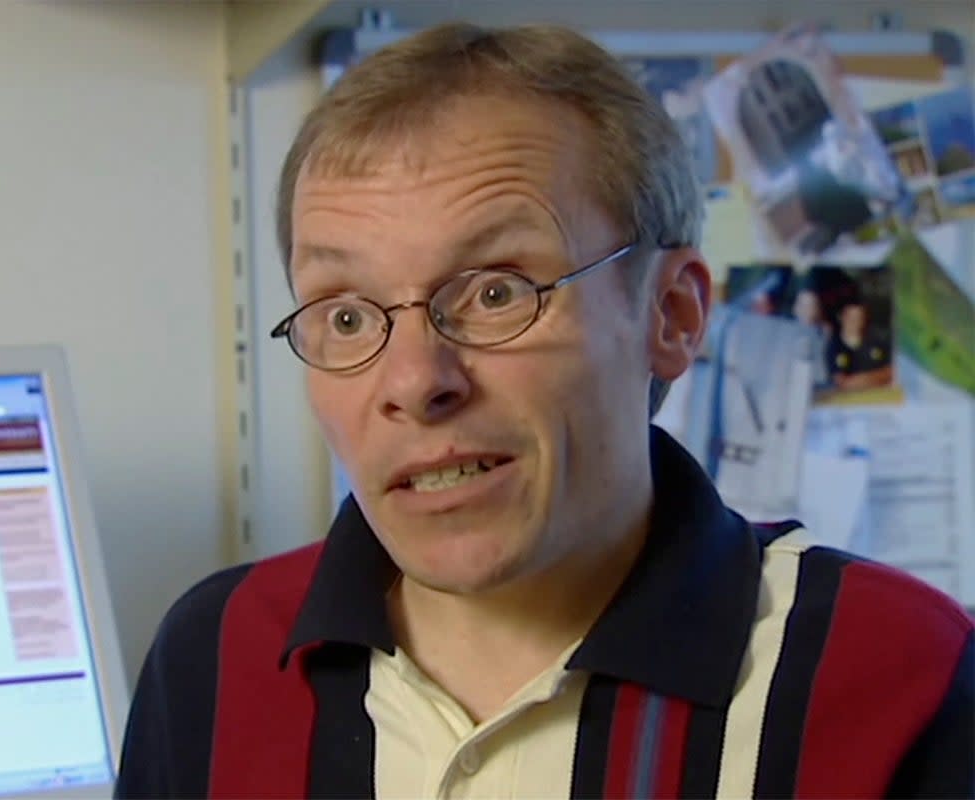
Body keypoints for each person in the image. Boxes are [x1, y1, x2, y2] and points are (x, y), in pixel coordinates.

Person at [115, 23, 972, 799]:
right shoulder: (216, 656)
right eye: (345, 315)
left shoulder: (902, 672)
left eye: (496, 291)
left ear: (670, 316)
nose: (414, 381)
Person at [825, 299, 894, 390]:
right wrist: (876, 377)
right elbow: (842, 383)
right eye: (852, 318)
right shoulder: (834, 346)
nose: (856, 322)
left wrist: (858, 380)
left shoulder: (876, 343)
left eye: (860, 317)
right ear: (842, 318)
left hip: (878, 399)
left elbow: (891, 373)